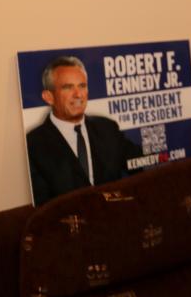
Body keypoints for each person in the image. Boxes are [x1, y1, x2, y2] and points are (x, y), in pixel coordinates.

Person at [26, 56, 140, 206]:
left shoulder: (107, 128)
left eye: (82, 86)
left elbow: (142, 166)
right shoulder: (33, 144)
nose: (78, 94)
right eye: (67, 87)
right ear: (48, 97)